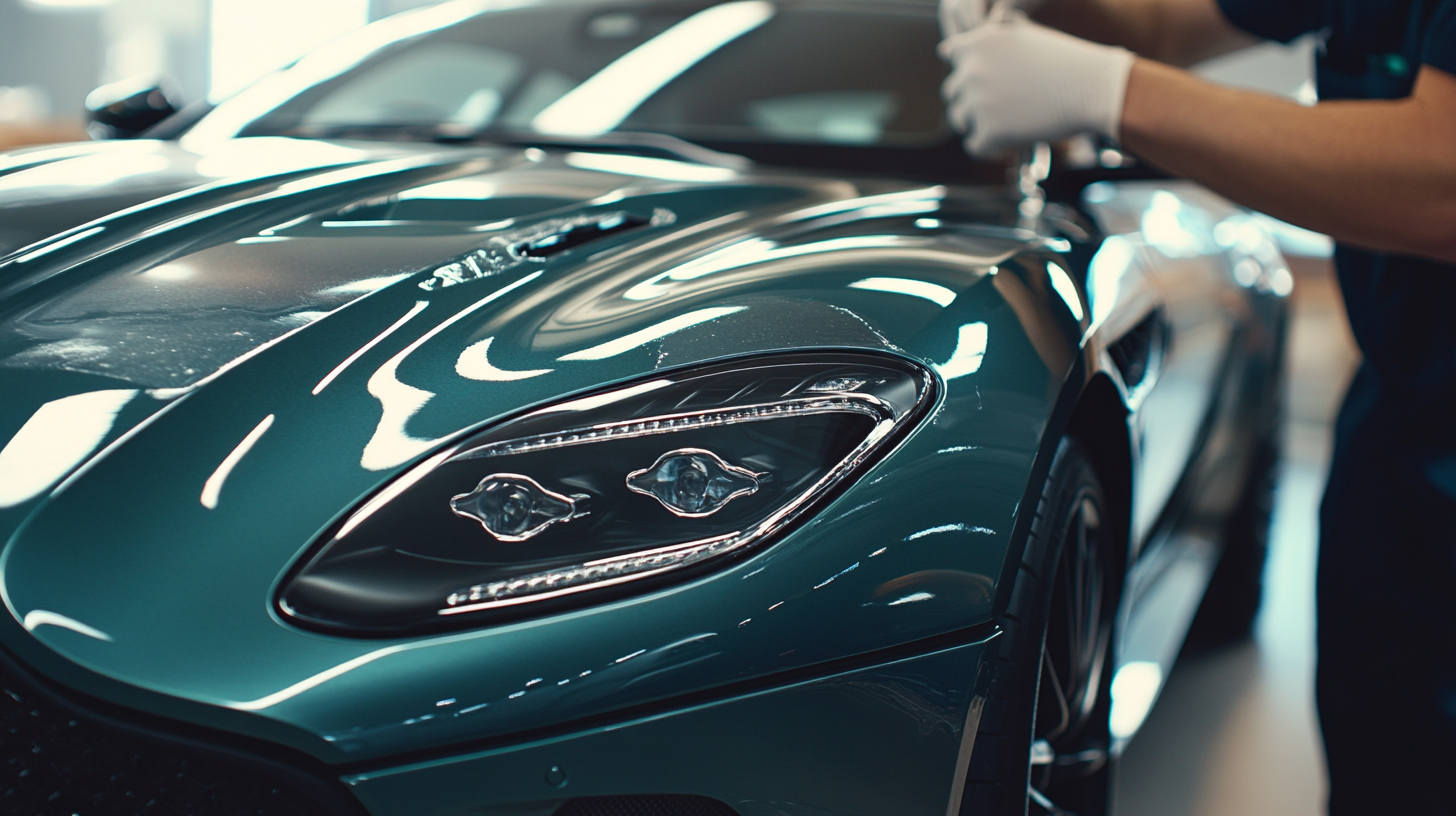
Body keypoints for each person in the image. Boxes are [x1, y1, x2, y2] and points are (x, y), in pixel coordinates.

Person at [937, 0, 1456, 812]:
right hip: (1402, 411)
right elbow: (1162, 26)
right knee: (1384, 758)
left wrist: (1108, 93)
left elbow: (1443, 178)